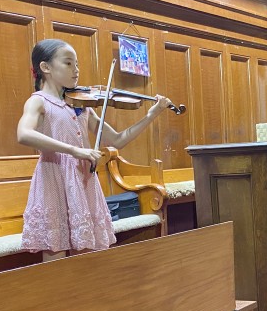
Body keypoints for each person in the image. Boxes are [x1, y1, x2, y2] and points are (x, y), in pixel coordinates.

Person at [17, 38, 172, 260]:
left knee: (87, 254)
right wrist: (74, 150)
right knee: (55, 254)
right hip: (54, 178)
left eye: (77, 64)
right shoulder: (38, 102)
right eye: (68, 63)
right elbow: (23, 134)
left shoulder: (82, 105)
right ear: (46, 67)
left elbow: (117, 140)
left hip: (83, 180)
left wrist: (152, 114)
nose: (76, 70)